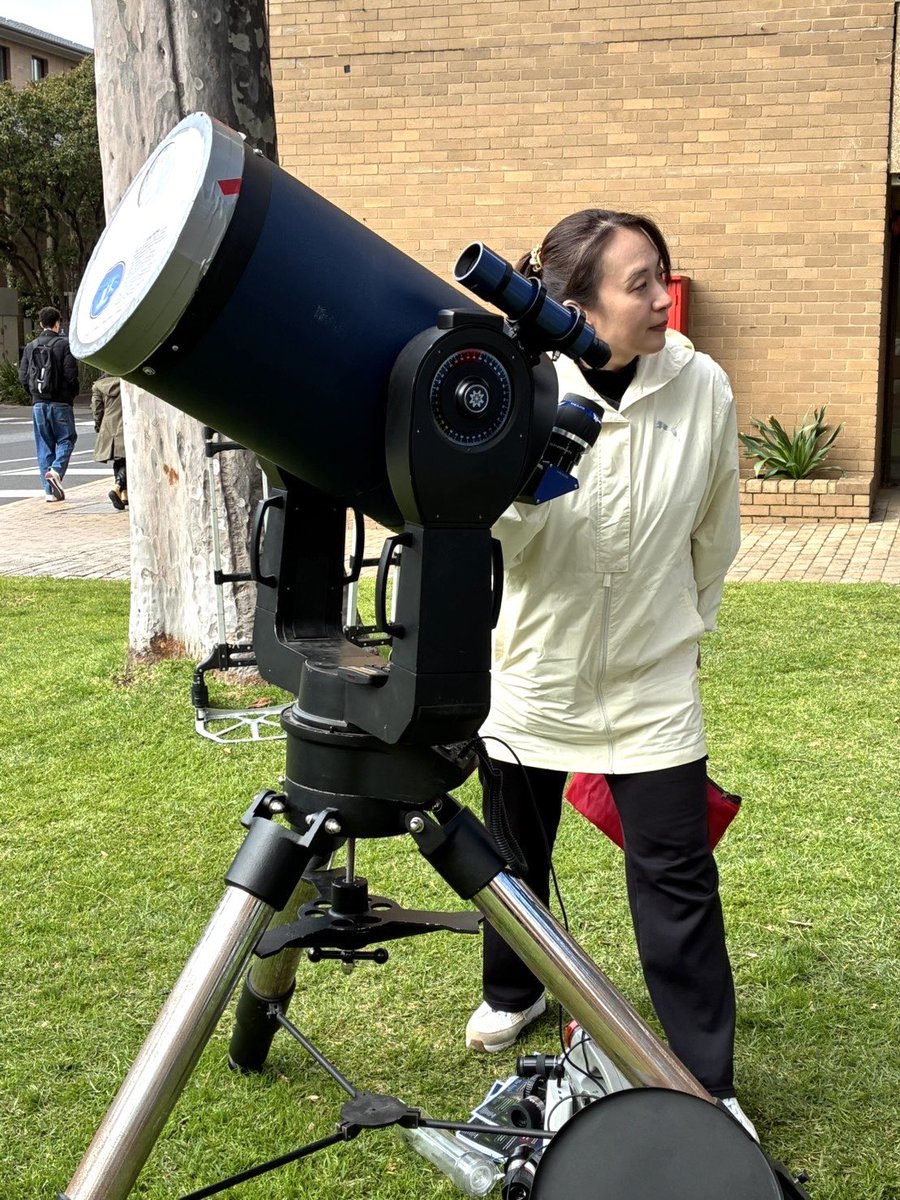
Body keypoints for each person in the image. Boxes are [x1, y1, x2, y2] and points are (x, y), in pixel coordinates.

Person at [465, 209, 754, 1136]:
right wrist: (526, 476)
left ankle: (707, 1082)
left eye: (663, 276)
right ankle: (516, 990)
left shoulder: (699, 383)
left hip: (653, 679)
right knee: (515, 856)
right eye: (639, 284)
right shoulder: (520, 383)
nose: (663, 297)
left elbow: (717, 527)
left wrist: (683, 629)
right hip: (534, 668)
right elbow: (496, 537)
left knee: (675, 876)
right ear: (574, 304)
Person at [18, 306, 80, 502]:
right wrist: (71, 395)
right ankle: (56, 471)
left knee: (44, 445)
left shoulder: (31, 346)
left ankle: (49, 492)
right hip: (61, 403)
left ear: (40, 324)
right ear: (57, 323)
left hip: (38, 404)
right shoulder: (64, 345)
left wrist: (35, 394)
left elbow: (23, 377)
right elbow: (71, 376)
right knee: (66, 439)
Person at [91, 374, 128, 510]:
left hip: (108, 425)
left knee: (119, 460)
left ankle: (124, 495)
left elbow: (97, 409)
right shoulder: (127, 381)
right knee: (128, 460)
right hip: (125, 424)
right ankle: (117, 487)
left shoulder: (98, 386)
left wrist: (99, 426)